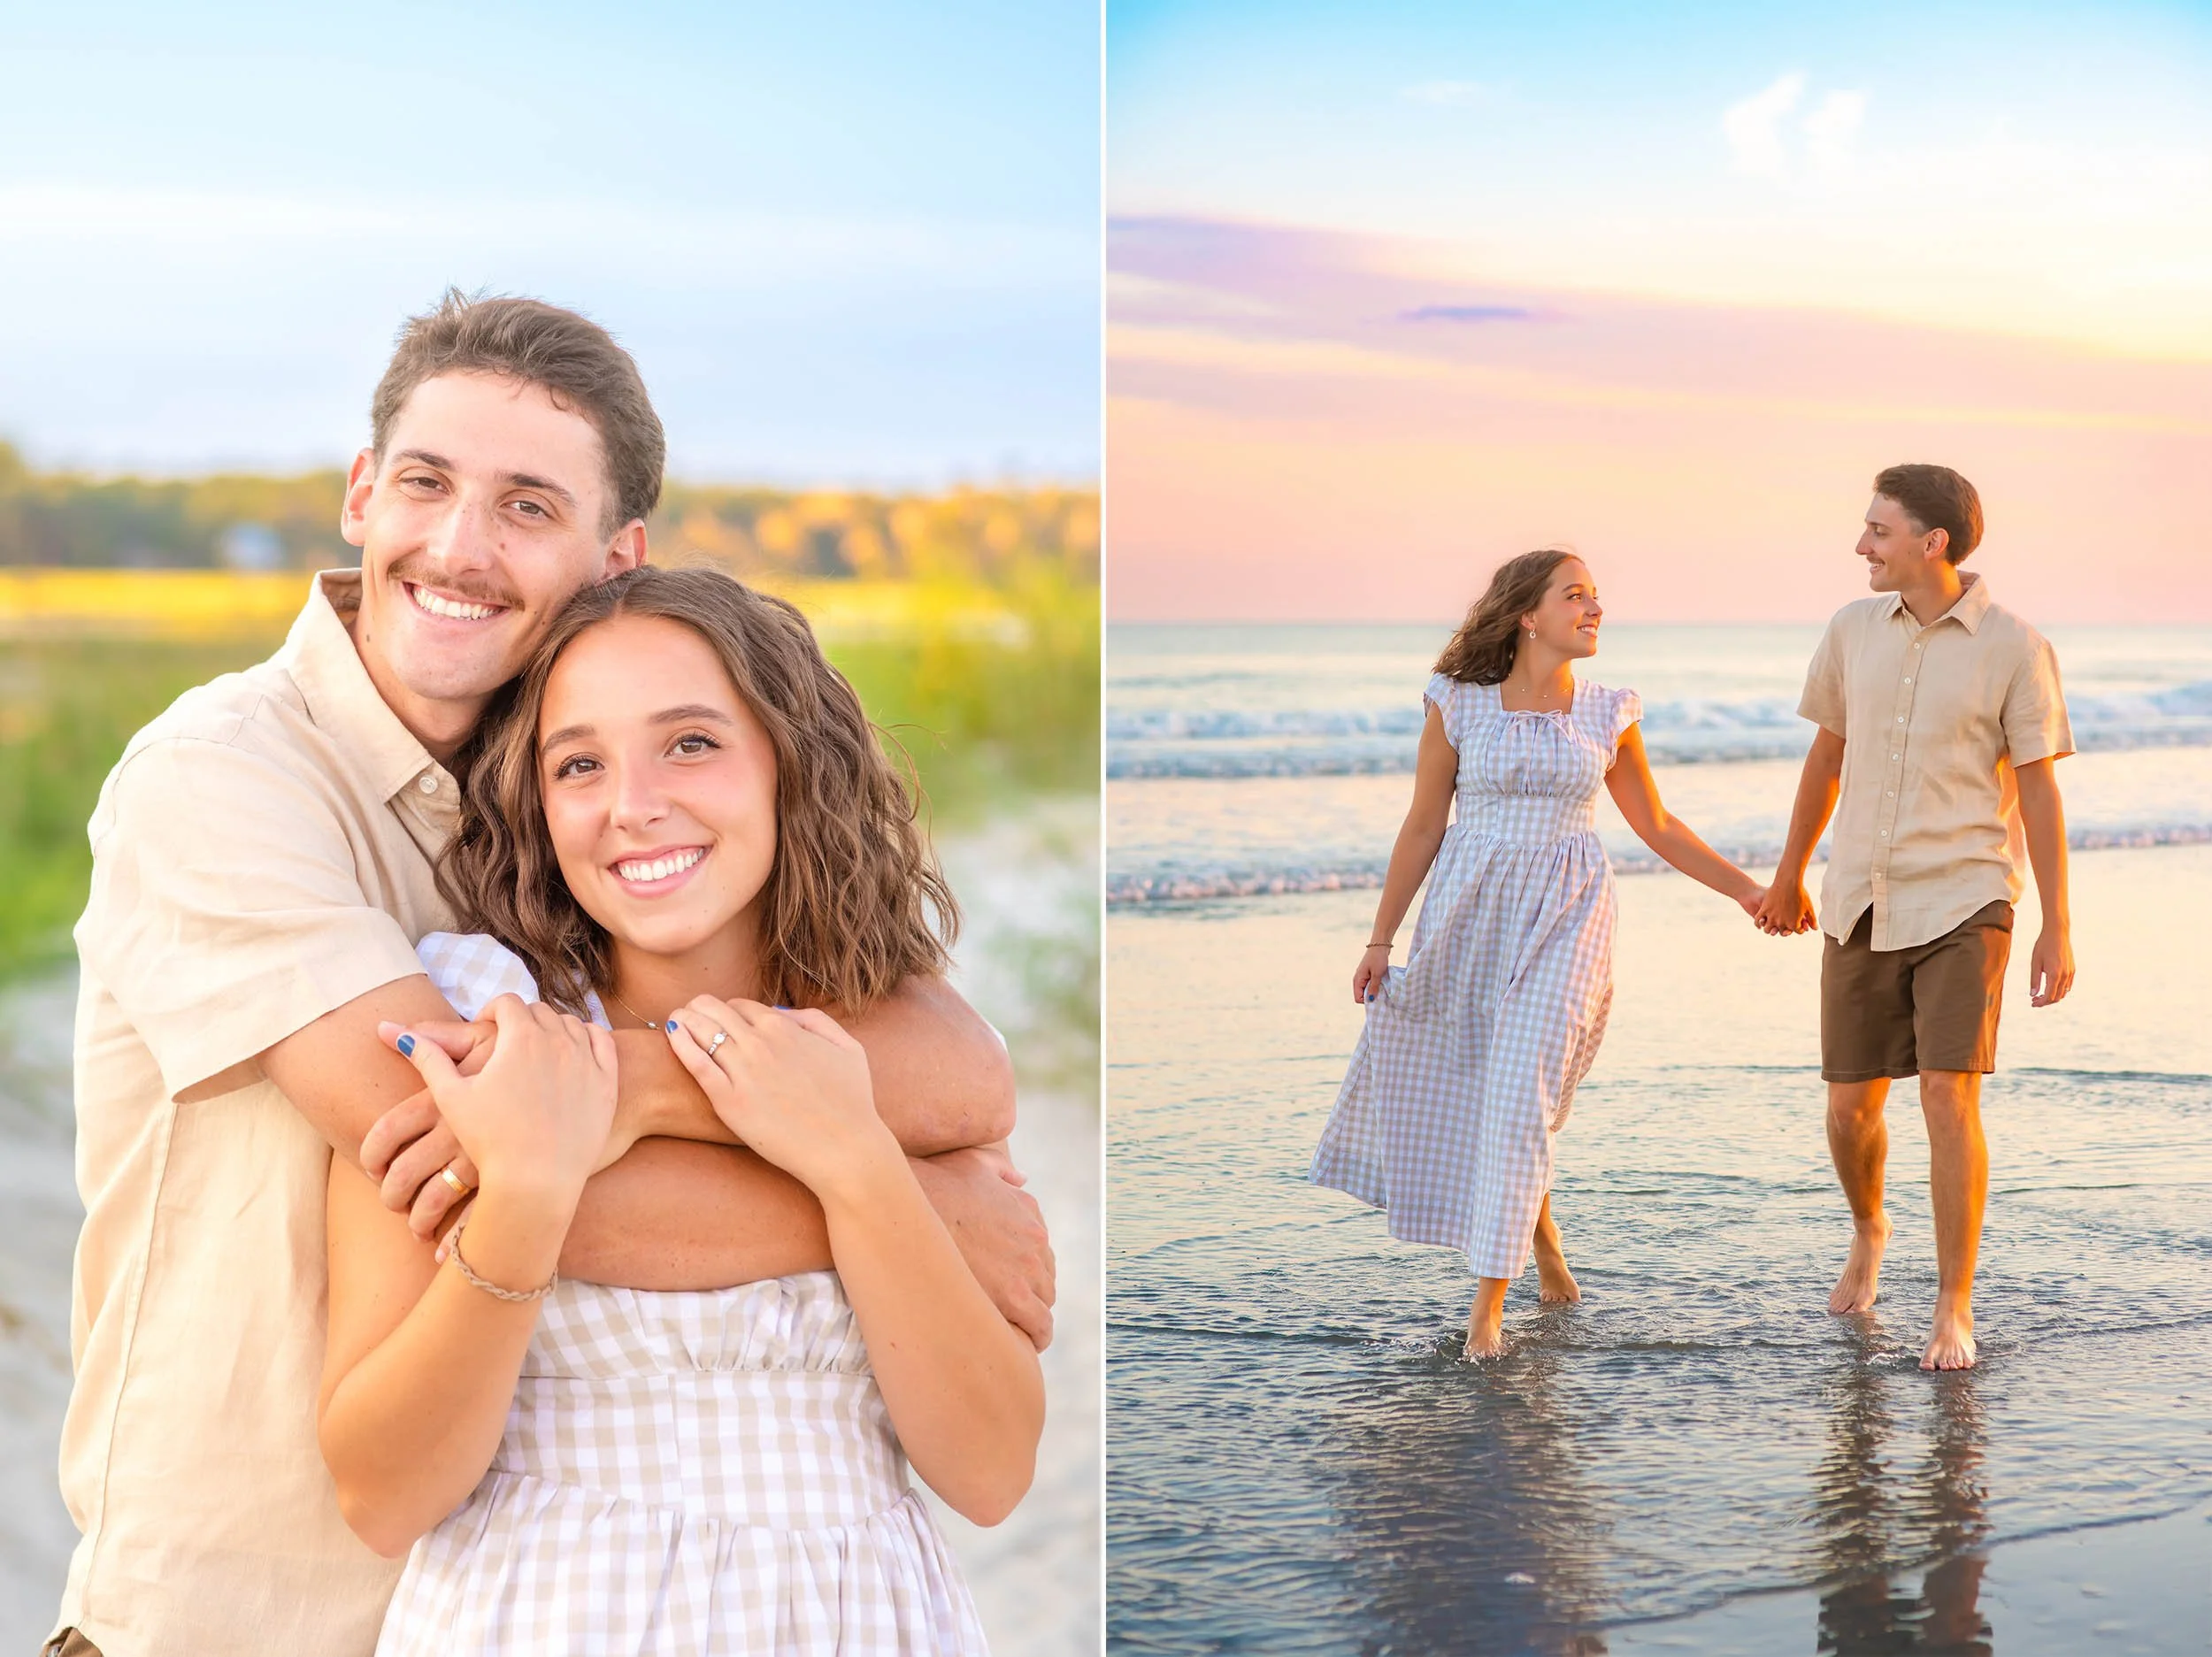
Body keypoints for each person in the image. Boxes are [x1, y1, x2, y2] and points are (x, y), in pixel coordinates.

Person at [50, 294, 1052, 1657]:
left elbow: (955, 1069)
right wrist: (898, 1205)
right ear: (360, 493)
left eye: (528, 504)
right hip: (242, 1616)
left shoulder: (551, 829)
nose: (461, 543)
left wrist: (736, 1128)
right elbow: (450, 1143)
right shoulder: (223, 779)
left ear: (611, 555)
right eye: (426, 482)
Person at [321, 567, 1040, 1651]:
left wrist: (854, 1163)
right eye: (580, 764)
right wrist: (526, 1194)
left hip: (861, 1618)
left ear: (790, 761)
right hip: (547, 1612)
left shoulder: (885, 1061)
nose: (633, 803)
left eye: (691, 742)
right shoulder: (479, 1017)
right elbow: (380, 1496)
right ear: (538, 804)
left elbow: (988, 1474)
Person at [1310, 548, 1765, 1360]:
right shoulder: (1457, 705)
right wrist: (1381, 939)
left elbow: (1656, 825)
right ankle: (1548, 1248)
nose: (1596, 609)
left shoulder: (1608, 712)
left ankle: (1486, 1311)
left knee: (1521, 1084)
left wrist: (1746, 890)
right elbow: (1422, 826)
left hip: (1569, 912)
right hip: (1469, 913)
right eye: (1576, 596)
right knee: (1497, 1090)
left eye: (1596, 597)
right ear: (1527, 614)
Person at [1754, 464, 2074, 1372]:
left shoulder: (2016, 646)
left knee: (1945, 1093)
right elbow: (1823, 762)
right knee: (1852, 1108)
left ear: (1931, 543)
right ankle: (1868, 1229)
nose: (1861, 544)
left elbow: (2042, 795)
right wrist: (1787, 876)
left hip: (1967, 894)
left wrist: (2055, 923)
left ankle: (1952, 1305)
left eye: (1877, 530)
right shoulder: (1850, 631)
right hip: (1858, 893)